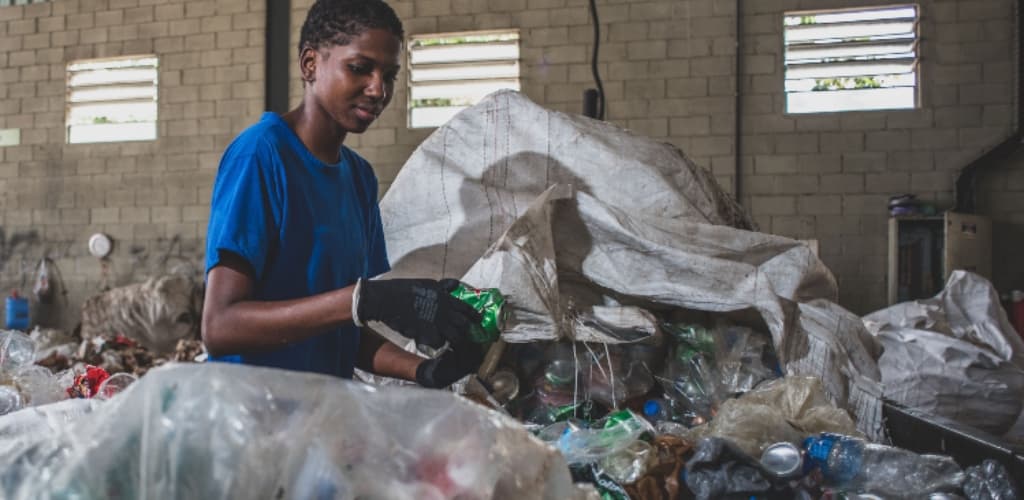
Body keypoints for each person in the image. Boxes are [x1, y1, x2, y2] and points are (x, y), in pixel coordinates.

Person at [201, 0, 482, 389]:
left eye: (389, 75)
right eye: (360, 68)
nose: (378, 89)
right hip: (251, 412)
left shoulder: (359, 178)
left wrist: (422, 370)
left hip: (322, 410)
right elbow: (220, 326)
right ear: (310, 64)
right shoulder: (262, 155)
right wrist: (366, 299)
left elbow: (334, 326)